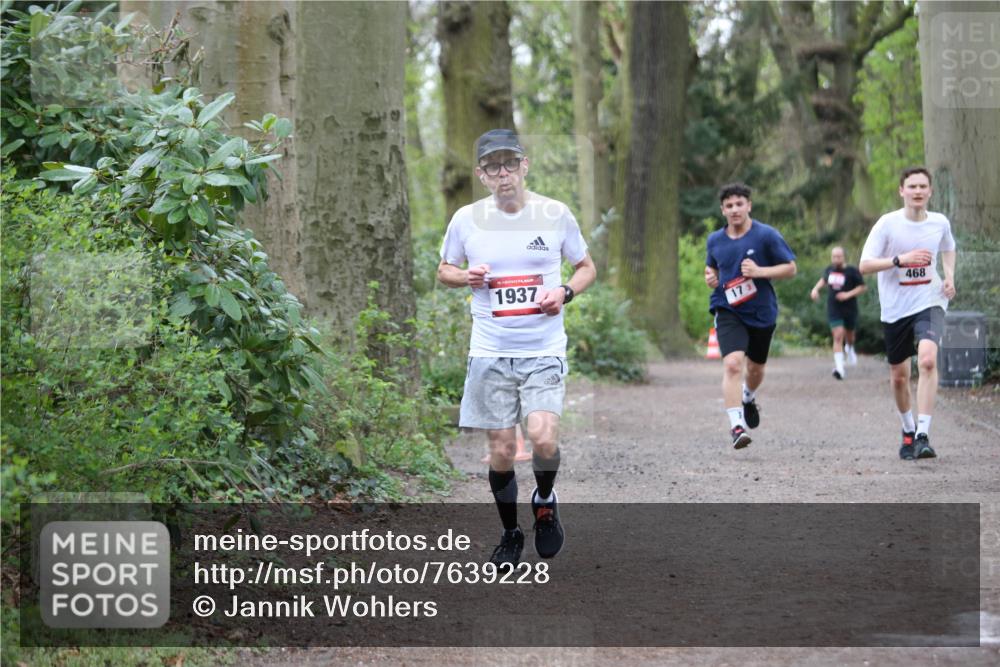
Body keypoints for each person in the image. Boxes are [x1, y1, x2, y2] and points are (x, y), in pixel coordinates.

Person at [437, 129, 596, 567]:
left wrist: (564, 292)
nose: (502, 173)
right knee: (502, 451)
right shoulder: (466, 219)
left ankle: (544, 500)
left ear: (524, 165)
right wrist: (465, 277)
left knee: (543, 437)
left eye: (510, 164)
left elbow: (586, 267)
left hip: (543, 347)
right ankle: (510, 533)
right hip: (489, 351)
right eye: (493, 166)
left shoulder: (554, 214)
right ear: (481, 175)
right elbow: (444, 269)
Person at [859, 166, 956, 461]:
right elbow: (864, 265)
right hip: (895, 308)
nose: (917, 191)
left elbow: (948, 248)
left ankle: (923, 435)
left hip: (930, 300)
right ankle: (908, 429)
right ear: (902, 191)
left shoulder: (939, 222)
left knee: (927, 359)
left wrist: (950, 276)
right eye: (911, 186)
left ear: (930, 192)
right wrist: (900, 260)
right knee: (900, 377)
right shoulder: (887, 224)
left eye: (922, 187)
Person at [705, 183, 797, 449]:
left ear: (749, 206)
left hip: (761, 311)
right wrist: (710, 277)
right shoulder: (715, 240)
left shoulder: (766, 236)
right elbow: (712, 269)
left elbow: (790, 269)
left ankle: (748, 396)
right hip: (728, 308)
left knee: (755, 368)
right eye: (729, 205)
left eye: (739, 204)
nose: (735, 209)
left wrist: (760, 272)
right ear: (723, 210)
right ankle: (736, 426)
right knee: (733, 364)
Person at [810, 246, 867, 379]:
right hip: (834, 308)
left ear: (843, 257)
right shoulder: (829, 270)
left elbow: (863, 287)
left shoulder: (852, 271)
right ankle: (840, 369)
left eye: (838, 256)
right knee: (837, 335)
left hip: (849, 308)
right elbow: (823, 280)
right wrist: (815, 289)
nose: (836, 259)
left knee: (850, 336)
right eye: (834, 256)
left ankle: (850, 347)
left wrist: (848, 294)